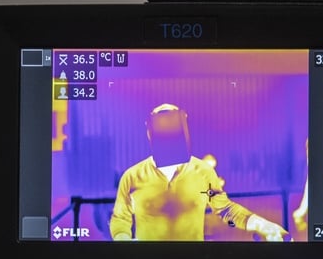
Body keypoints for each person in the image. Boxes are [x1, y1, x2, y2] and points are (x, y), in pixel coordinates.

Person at [109, 103, 287, 241]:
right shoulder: (132, 175)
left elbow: (226, 210)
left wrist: (262, 225)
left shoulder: (202, 171)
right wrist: (123, 241)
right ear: (150, 131)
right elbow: (120, 217)